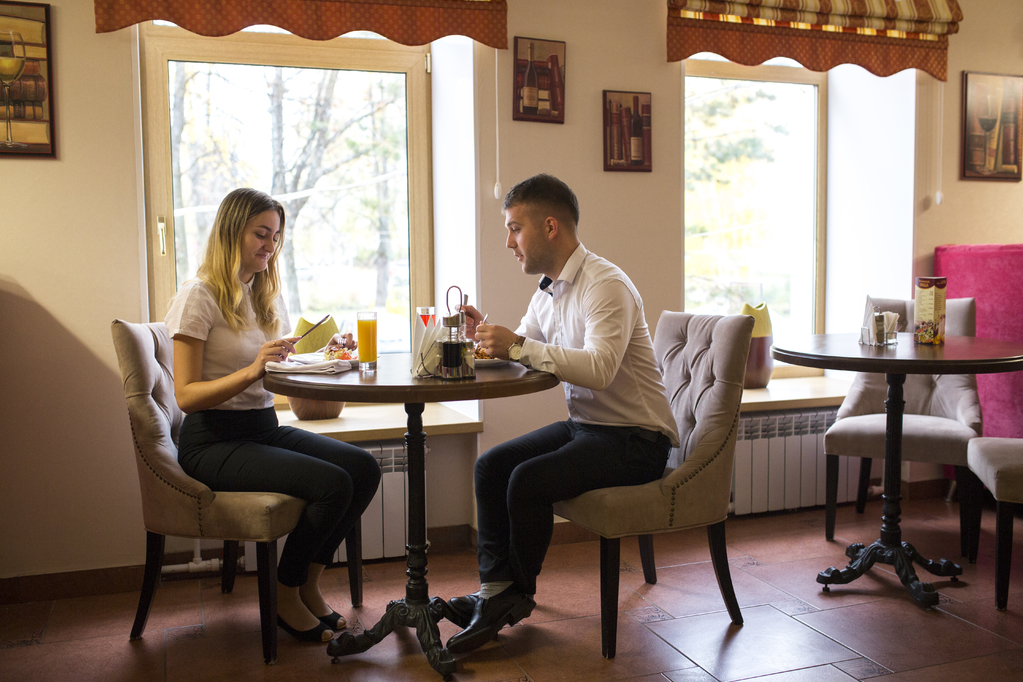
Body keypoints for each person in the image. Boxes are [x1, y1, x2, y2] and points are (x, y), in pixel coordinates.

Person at [445, 174, 681, 654]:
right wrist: (486, 335)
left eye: (515, 229)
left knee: (527, 480)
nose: (508, 242)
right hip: (588, 428)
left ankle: (513, 596)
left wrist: (517, 344)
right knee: (491, 466)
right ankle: (494, 591)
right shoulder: (548, 290)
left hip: (637, 440)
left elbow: (598, 369)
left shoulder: (605, 284)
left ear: (549, 227)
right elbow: (524, 351)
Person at [165, 188, 381, 643]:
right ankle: (284, 592)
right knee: (332, 484)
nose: (270, 245)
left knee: (363, 468)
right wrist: (252, 369)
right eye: (261, 234)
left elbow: (276, 369)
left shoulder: (264, 294)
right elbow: (185, 396)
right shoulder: (197, 296)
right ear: (232, 232)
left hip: (263, 427)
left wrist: (324, 354)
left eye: (276, 236)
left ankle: (308, 585)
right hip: (213, 441)